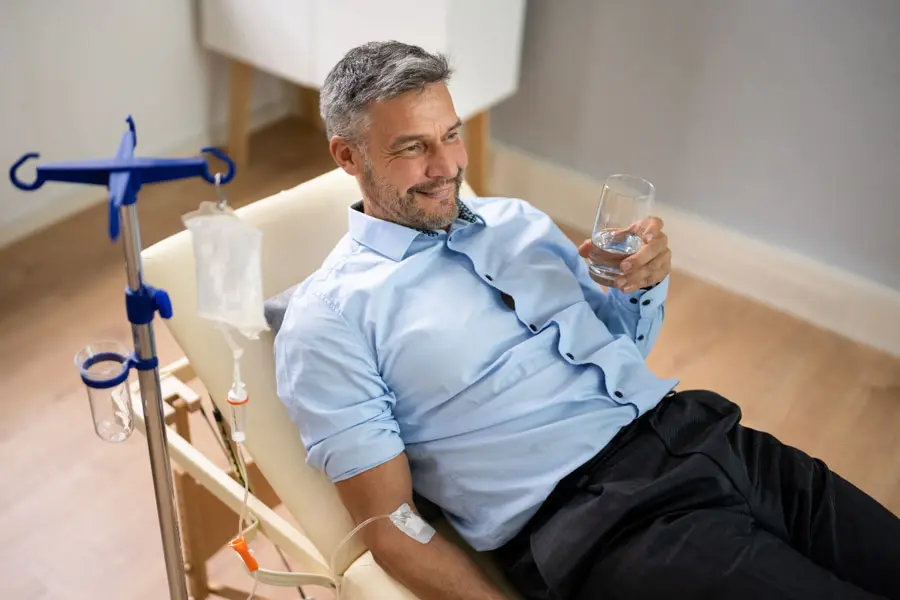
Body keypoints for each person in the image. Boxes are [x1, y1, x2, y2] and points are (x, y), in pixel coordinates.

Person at [273, 41, 900, 600]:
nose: (447, 166)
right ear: (347, 156)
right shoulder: (329, 322)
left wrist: (642, 288)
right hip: (611, 528)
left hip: (708, 435)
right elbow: (392, 529)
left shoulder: (515, 220)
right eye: (413, 147)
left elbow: (620, 347)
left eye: (451, 134)